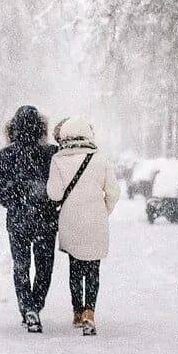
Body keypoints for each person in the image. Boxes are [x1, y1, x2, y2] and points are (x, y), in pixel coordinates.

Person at [47, 115, 120, 336]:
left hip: (71, 221)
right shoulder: (101, 160)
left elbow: (54, 194)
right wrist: (103, 210)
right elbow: (114, 193)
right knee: (93, 268)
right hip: (96, 221)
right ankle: (90, 311)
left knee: (75, 268)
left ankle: (77, 311)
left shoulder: (58, 160)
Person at [0, 105, 58, 333]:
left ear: (13, 128)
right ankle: (36, 304)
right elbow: (59, 187)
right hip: (45, 220)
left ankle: (27, 307)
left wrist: (14, 200)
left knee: (21, 266)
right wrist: (49, 200)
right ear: (41, 127)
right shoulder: (51, 154)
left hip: (18, 220)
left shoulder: (5, 155)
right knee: (44, 267)